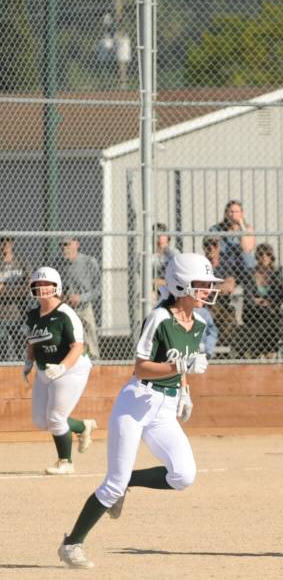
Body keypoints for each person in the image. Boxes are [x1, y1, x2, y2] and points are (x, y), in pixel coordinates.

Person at [58, 253, 219, 569]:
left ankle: (127, 481)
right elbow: (142, 368)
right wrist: (180, 367)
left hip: (165, 408)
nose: (207, 290)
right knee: (112, 484)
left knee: (183, 475)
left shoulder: (199, 323)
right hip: (136, 403)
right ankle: (71, 544)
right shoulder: (159, 318)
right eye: (201, 284)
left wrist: (184, 390)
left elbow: (182, 364)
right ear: (180, 284)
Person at [23, 267, 97, 475]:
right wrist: (28, 362)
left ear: (57, 287)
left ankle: (66, 462)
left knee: (56, 418)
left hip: (72, 368)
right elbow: (32, 341)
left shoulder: (66, 314)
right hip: (45, 369)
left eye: (47, 284)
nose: (43, 288)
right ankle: (82, 427)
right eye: (38, 284)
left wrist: (62, 367)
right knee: (40, 421)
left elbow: (78, 347)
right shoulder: (33, 314)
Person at [55, 237, 100, 360]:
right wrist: (62, 296)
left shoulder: (89, 262)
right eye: (61, 245)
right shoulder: (57, 263)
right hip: (66, 308)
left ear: (77, 244)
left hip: (83, 307)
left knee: (90, 338)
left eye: (67, 244)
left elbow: (98, 289)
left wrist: (81, 298)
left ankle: (94, 362)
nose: (64, 248)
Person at [241, 243, 283, 358]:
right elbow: (248, 297)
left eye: (268, 254)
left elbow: (278, 296)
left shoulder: (276, 273)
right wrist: (262, 301)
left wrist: (263, 301)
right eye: (261, 254)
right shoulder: (250, 273)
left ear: (271, 257)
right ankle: (264, 351)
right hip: (253, 310)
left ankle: (268, 351)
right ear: (257, 257)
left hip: (271, 309)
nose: (264, 257)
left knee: (271, 316)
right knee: (263, 315)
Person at [208, 199, 256, 276]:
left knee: (248, 258)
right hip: (224, 263)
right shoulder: (216, 229)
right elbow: (211, 249)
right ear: (226, 213)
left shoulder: (247, 228)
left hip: (242, 264)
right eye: (231, 212)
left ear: (242, 213)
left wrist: (241, 225)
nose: (233, 215)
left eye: (237, 212)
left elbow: (247, 248)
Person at [0, 236, 28, 361]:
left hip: (19, 315)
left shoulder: (21, 262)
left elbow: (29, 287)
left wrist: (4, 288)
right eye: (2, 241)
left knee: (21, 351)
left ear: (12, 243)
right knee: (2, 354)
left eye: (8, 240)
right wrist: (18, 289)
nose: (5, 243)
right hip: (2, 315)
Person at [152, 224, 180, 295]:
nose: (159, 237)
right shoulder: (149, 256)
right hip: (154, 289)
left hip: (171, 289)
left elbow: (178, 278)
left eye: (162, 234)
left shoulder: (173, 253)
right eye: (156, 234)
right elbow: (146, 280)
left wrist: (161, 282)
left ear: (168, 237)